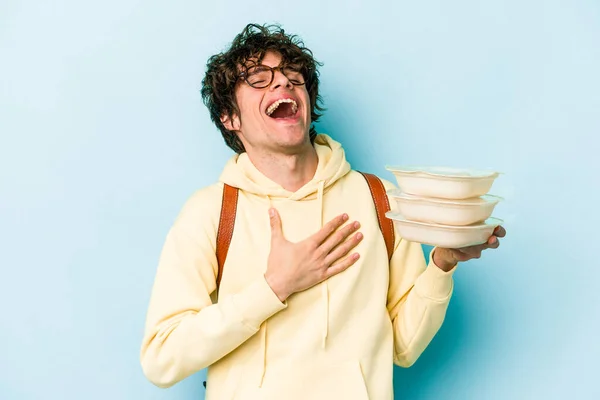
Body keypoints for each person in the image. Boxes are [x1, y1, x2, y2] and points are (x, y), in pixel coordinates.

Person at [140, 23, 506, 399]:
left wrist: (442, 263)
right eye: (259, 79)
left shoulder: (380, 198)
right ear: (229, 118)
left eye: (292, 76)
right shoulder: (212, 212)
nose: (282, 85)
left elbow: (403, 347)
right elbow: (161, 356)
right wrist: (275, 286)